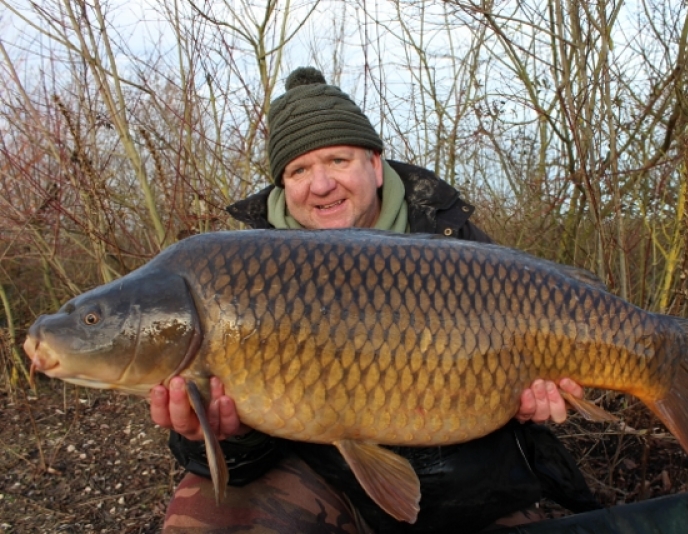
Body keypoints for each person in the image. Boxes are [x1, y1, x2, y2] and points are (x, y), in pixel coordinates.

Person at [152, 67, 598, 533]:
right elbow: (225, 459)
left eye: (337, 160)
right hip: (322, 477)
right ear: (283, 186)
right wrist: (229, 435)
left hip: (468, 479)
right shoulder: (240, 273)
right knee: (207, 517)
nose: (320, 184)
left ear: (375, 164)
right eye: (299, 170)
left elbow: (527, 368)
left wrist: (526, 402)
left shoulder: (456, 241)